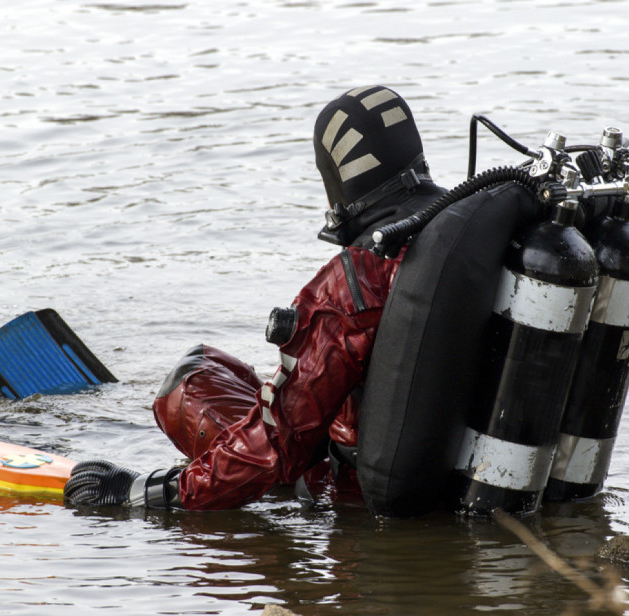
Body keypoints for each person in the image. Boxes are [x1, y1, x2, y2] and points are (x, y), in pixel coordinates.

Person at [63, 85, 447, 510]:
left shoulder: (356, 280)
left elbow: (274, 445)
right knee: (246, 379)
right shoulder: (465, 240)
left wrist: (146, 492)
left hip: (355, 490)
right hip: (445, 473)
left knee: (193, 378)